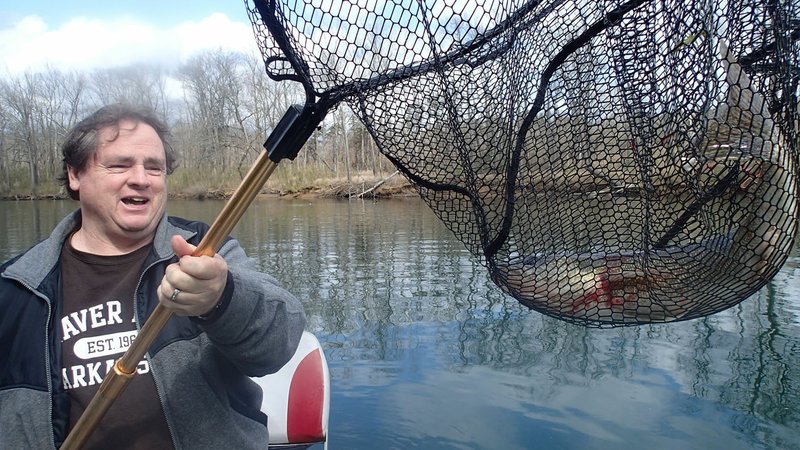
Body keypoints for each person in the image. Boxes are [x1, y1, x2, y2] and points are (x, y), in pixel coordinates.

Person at [0, 103, 306, 449]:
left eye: (155, 168)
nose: (141, 179)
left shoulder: (204, 251)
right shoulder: (16, 286)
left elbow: (279, 344)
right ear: (75, 174)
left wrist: (222, 298)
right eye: (120, 165)